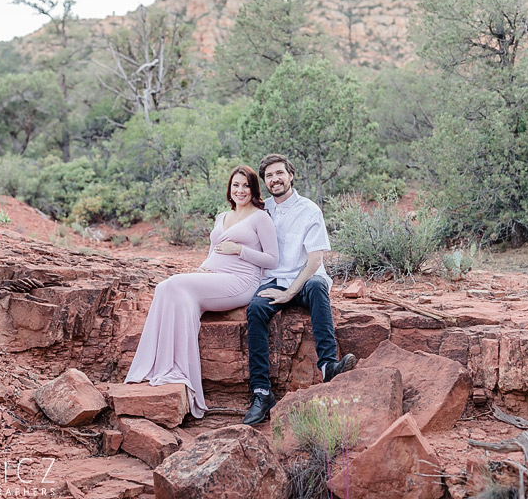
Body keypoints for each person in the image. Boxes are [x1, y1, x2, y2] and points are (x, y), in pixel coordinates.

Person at [125, 165, 278, 418]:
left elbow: (272, 259)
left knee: (174, 283)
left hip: (241, 281)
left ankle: (180, 372)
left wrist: (240, 251)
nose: (240, 190)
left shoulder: (261, 217)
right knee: (165, 287)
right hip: (213, 276)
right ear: (230, 188)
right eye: (236, 185)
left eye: (246, 186)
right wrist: (202, 270)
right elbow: (213, 251)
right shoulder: (222, 216)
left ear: (254, 189)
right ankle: (164, 366)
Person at [243, 154, 356, 425]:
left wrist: (289, 293)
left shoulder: (309, 210)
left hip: (305, 279)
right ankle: (261, 393)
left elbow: (315, 261)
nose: (275, 179)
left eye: (279, 173)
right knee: (255, 309)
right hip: (273, 280)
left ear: (291, 175)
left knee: (318, 286)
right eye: (269, 176)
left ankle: (329, 366)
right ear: (265, 182)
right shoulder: (261, 210)